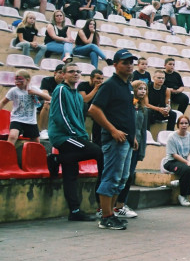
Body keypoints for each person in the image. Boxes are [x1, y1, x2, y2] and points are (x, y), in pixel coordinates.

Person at [88, 48, 139, 231]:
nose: (129, 65)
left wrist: (132, 137)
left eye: (131, 62)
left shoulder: (126, 85)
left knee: (122, 177)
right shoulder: (110, 85)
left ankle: (110, 213)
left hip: (125, 139)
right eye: (125, 62)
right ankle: (106, 216)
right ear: (115, 65)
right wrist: (113, 130)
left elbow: (126, 113)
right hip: (114, 139)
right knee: (111, 177)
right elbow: (94, 109)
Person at [47, 63, 104, 222]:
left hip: (75, 136)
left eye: (78, 72)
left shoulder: (78, 96)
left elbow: (80, 118)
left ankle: (75, 210)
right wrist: (75, 134)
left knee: (70, 175)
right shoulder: (60, 90)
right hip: (63, 136)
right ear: (63, 75)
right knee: (97, 152)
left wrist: (82, 135)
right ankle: (56, 159)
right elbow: (60, 116)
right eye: (71, 71)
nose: (75, 74)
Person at [115, 79, 150, 219]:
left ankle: (121, 204)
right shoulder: (128, 105)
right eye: (140, 88)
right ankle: (116, 205)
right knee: (122, 175)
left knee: (128, 176)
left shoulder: (143, 108)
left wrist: (142, 150)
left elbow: (143, 130)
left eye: (145, 89)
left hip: (136, 147)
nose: (143, 91)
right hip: (125, 143)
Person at [162, 116, 190, 206]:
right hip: (171, 162)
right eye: (181, 123)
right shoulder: (172, 137)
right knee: (187, 169)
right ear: (178, 125)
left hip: (186, 160)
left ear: (189, 125)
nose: (184, 125)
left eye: (186, 123)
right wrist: (188, 163)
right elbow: (174, 155)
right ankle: (183, 195)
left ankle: (182, 182)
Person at [1, 69, 50, 142]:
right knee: (13, 136)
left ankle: (35, 153)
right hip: (17, 119)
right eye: (16, 80)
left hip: (30, 121)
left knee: (36, 141)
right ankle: (7, 152)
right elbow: (3, 102)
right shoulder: (13, 90)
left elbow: (49, 98)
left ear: (28, 80)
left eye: (20, 80)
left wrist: (36, 93)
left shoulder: (33, 89)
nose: (17, 82)